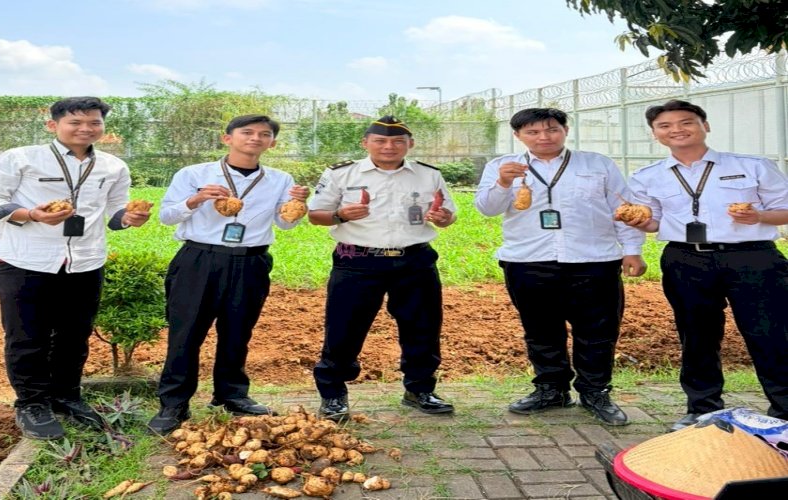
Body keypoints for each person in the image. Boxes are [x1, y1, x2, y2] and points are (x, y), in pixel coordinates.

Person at [0, 97, 151, 440]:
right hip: (25, 261)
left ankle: (67, 396)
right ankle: (32, 404)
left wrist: (130, 218)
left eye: (94, 122)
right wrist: (32, 214)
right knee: (28, 338)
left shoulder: (113, 167)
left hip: (85, 263)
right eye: (75, 122)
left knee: (74, 337)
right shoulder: (20, 158)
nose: (86, 129)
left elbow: (115, 213)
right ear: (53, 125)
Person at [622, 99, 788, 431]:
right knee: (696, 334)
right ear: (655, 134)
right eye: (665, 126)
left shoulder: (752, 165)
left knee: (770, 332)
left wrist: (758, 216)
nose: (676, 130)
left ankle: (784, 410)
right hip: (686, 259)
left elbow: (784, 209)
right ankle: (702, 407)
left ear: (705, 126)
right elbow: (652, 222)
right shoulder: (647, 177)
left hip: (753, 257)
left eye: (686, 122)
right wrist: (639, 223)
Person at [475, 108, 646, 426]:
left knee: (597, 331)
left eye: (552, 129)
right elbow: (486, 208)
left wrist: (633, 251)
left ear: (565, 130)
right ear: (518, 136)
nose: (544, 137)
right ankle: (551, 389)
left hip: (593, 260)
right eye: (533, 132)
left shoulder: (597, 164)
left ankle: (595, 392)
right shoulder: (502, 166)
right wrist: (502, 182)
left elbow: (624, 208)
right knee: (540, 329)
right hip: (528, 260)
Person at [148, 114, 309, 434]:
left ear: (272, 143)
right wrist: (196, 199)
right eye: (247, 132)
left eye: (264, 134)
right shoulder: (194, 174)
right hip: (199, 259)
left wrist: (297, 205)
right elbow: (166, 216)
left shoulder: (280, 179)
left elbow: (286, 224)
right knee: (186, 332)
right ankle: (174, 403)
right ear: (227, 138)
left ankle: (232, 394)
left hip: (251, 261)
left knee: (238, 331)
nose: (255, 138)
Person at [307, 115, 457, 421]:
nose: (389, 146)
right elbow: (315, 215)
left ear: (410, 144)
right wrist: (340, 215)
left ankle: (420, 389)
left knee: (422, 328)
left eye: (398, 141)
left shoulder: (428, 175)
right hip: (357, 260)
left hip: (414, 260)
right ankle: (333, 394)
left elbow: (448, 214)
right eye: (380, 140)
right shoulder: (342, 173)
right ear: (366, 143)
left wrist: (444, 218)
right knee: (344, 328)